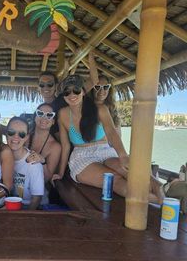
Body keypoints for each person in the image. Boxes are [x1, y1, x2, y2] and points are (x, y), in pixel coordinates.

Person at [53, 75, 162, 203]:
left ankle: (165, 191)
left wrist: (123, 155)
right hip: (81, 157)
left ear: (83, 91)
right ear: (64, 96)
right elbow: (65, 146)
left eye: (76, 90)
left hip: (106, 151)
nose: (72, 94)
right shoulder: (62, 114)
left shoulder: (100, 109)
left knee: (136, 174)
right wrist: (60, 173)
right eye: (67, 91)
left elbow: (111, 132)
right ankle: (161, 201)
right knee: (113, 180)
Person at [6, 117, 44, 209]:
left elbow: (36, 198)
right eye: (11, 132)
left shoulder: (33, 164)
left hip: (28, 207)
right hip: (7, 206)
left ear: (26, 137)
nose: (16, 137)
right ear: (6, 133)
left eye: (21, 134)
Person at [26, 103, 61, 183]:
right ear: (35, 117)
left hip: (37, 188)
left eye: (49, 115)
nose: (44, 118)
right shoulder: (24, 137)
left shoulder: (55, 147)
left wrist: (43, 162)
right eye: (40, 113)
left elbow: (47, 178)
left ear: (53, 121)